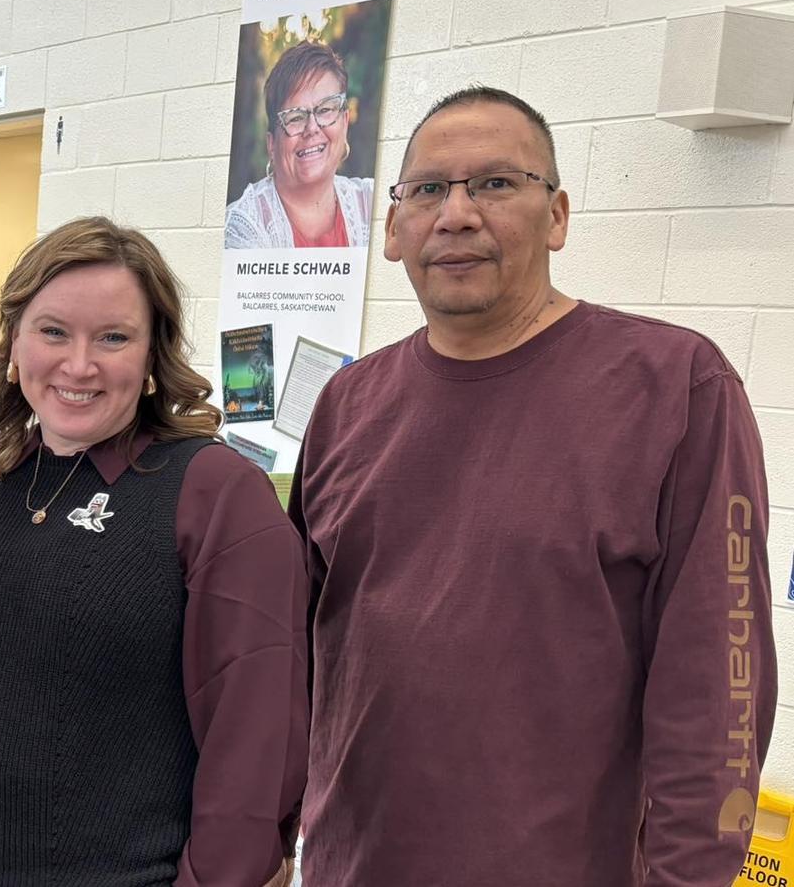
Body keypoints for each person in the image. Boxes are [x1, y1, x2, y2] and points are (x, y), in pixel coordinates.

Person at [290, 87, 775, 886]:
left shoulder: (673, 387)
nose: (455, 215)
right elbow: (296, 663)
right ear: (391, 229)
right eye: (427, 190)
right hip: (352, 866)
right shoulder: (348, 403)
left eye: (494, 184)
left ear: (555, 216)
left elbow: (719, 685)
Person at [0, 216, 308, 887]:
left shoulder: (215, 496)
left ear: (151, 358)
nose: (77, 364)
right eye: (52, 331)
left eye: (112, 338)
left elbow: (257, 742)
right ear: (14, 341)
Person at [225, 42, 374, 249]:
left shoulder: (371, 203)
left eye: (325, 110)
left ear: (345, 122)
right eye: (295, 117)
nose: (312, 128)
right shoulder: (244, 226)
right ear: (272, 144)